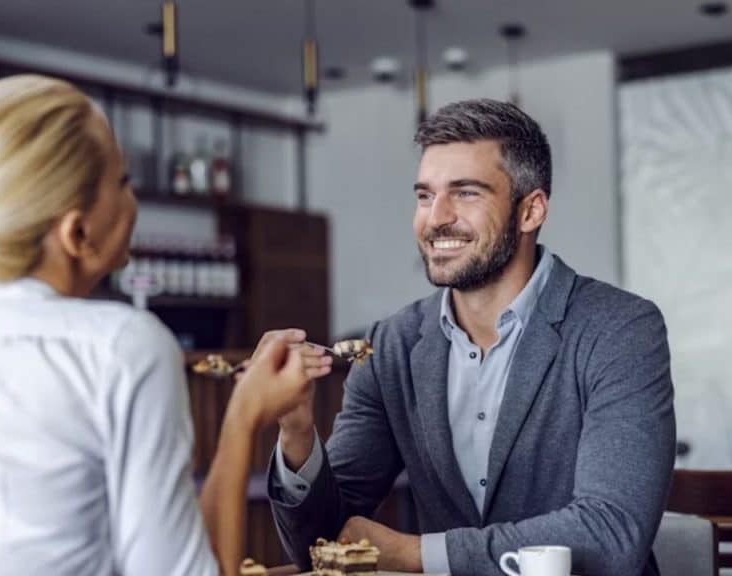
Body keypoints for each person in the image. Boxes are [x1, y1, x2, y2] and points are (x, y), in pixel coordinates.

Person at [0, 74, 332, 576]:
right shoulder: (124, 347)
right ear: (77, 232)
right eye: (122, 181)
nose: (133, 202)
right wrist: (244, 415)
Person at [268, 99, 676, 576]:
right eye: (424, 196)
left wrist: (415, 554)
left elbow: (611, 536)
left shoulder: (621, 329)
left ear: (530, 211)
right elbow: (324, 542)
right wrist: (295, 430)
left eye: (465, 193)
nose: (435, 218)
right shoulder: (390, 347)